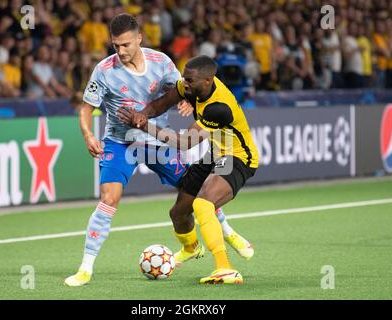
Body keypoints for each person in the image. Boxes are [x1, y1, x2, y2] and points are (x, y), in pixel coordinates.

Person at [65, 14, 253, 287]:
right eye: (115, 45)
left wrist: (188, 103)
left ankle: (228, 232)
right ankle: (85, 268)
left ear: (139, 38)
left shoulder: (162, 63)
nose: (120, 51)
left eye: (126, 44)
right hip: (121, 143)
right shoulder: (104, 70)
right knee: (109, 197)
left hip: (157, 144)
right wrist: (88, 134)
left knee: (194, 190)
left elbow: (183, 90)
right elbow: (86, 107)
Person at [118, 55, 259, 284]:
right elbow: (162, 103)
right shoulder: (191, 86)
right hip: (214, 152)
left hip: (238, 157)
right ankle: (191, 248)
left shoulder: (218, 107)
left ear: (207, 81)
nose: (184, 83)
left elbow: (184, 143)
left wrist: (145, 126)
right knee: (178, 214)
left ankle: (225, 268)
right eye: (184, 77)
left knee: (203, 204)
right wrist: (142, 114)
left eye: (190, 80)